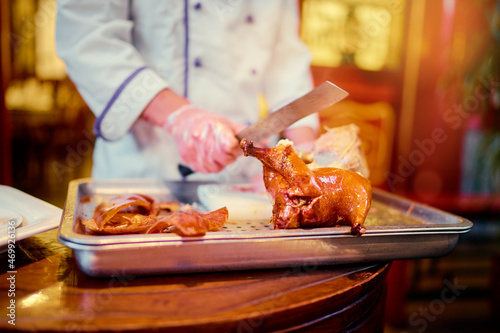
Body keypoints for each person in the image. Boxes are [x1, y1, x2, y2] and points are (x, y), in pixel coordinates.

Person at [55, 0, 319, 182]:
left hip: (241, 177)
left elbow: (286, 60)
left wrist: (308, 154)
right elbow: (88, 39)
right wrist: (181, 118)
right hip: (145, 170)